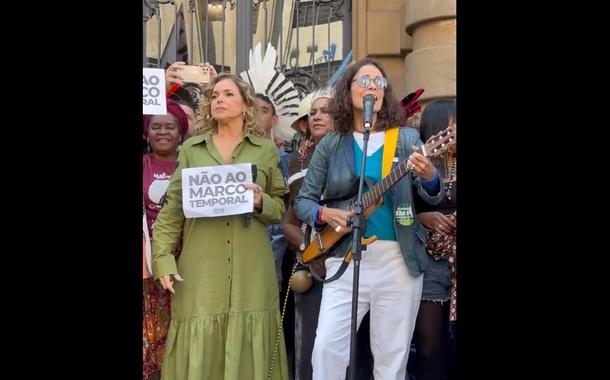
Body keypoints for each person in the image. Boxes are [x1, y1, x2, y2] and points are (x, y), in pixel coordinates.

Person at [294, 58, 444, 380]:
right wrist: (324, 212)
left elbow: (430, 193)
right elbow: (304, 201)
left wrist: (430, 174)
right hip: (344, 258)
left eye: (379, 81)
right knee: (326, 350)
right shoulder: (332, 144)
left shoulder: (404, 139)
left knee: (391, 356)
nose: (373, 86)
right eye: (364, 80)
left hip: (397, 260)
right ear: (347, 92)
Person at [152, 74, 289, 380]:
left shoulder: (265, 151)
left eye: (227, 94)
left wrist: (259, 201)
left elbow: (280, 207)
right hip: (200, 271)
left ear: (245, 105)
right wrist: (162, 259)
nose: (218, 100)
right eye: (214, 96)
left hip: (251, 273)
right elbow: (172, 209)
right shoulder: (191, 150)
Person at [143, 98, 190, 380]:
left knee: (179, 326)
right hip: (147, 263)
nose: (162, 132)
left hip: (185, 261)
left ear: (181, 133)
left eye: (170, 126)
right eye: (155, 126)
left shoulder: (192, 165)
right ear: (146, 133)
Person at [412, 99, 457, 380]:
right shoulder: (416, 164)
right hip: (429, 261)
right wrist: (422, 218)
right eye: (453, 125)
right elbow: (398, 209)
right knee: (429, 348)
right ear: (439, 129)